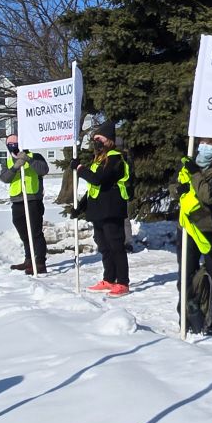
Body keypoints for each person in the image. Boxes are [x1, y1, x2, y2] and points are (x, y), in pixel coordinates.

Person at [174, 138, 212, 334]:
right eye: (202, 145)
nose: (203, 149)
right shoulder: (189, 164)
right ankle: (187, 316)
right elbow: (175, 186)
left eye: (209, 146)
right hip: (187, 228)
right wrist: (178, 189)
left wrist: (195, 174)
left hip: (211, 229)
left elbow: (208, 195)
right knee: (185, 274)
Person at [72, 121, 131, 296]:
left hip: (112, 209)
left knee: (116, 246)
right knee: (104, 247)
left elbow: (99, 179)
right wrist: (81, 207)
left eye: (100, 139)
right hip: (98, 210)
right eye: (95, 139)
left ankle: (123, 282)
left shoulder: (115, 158)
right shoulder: (98, 159)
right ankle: (109, 278)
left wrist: (80, 168)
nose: (96, 142)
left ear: (109, 140)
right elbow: (93, 188)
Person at [0, 133, 49, 275]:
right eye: (10, 144)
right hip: (17, 200)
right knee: (23, 232)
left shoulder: (35, 156)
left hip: (33, 199)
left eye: (15, 143)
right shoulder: (8, 161)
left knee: (35, 232)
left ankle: (40, 262)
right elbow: (5, 178)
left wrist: (28, 159)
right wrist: (15, 167)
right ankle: (29, 259)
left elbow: (43, 170)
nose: (13, 146)